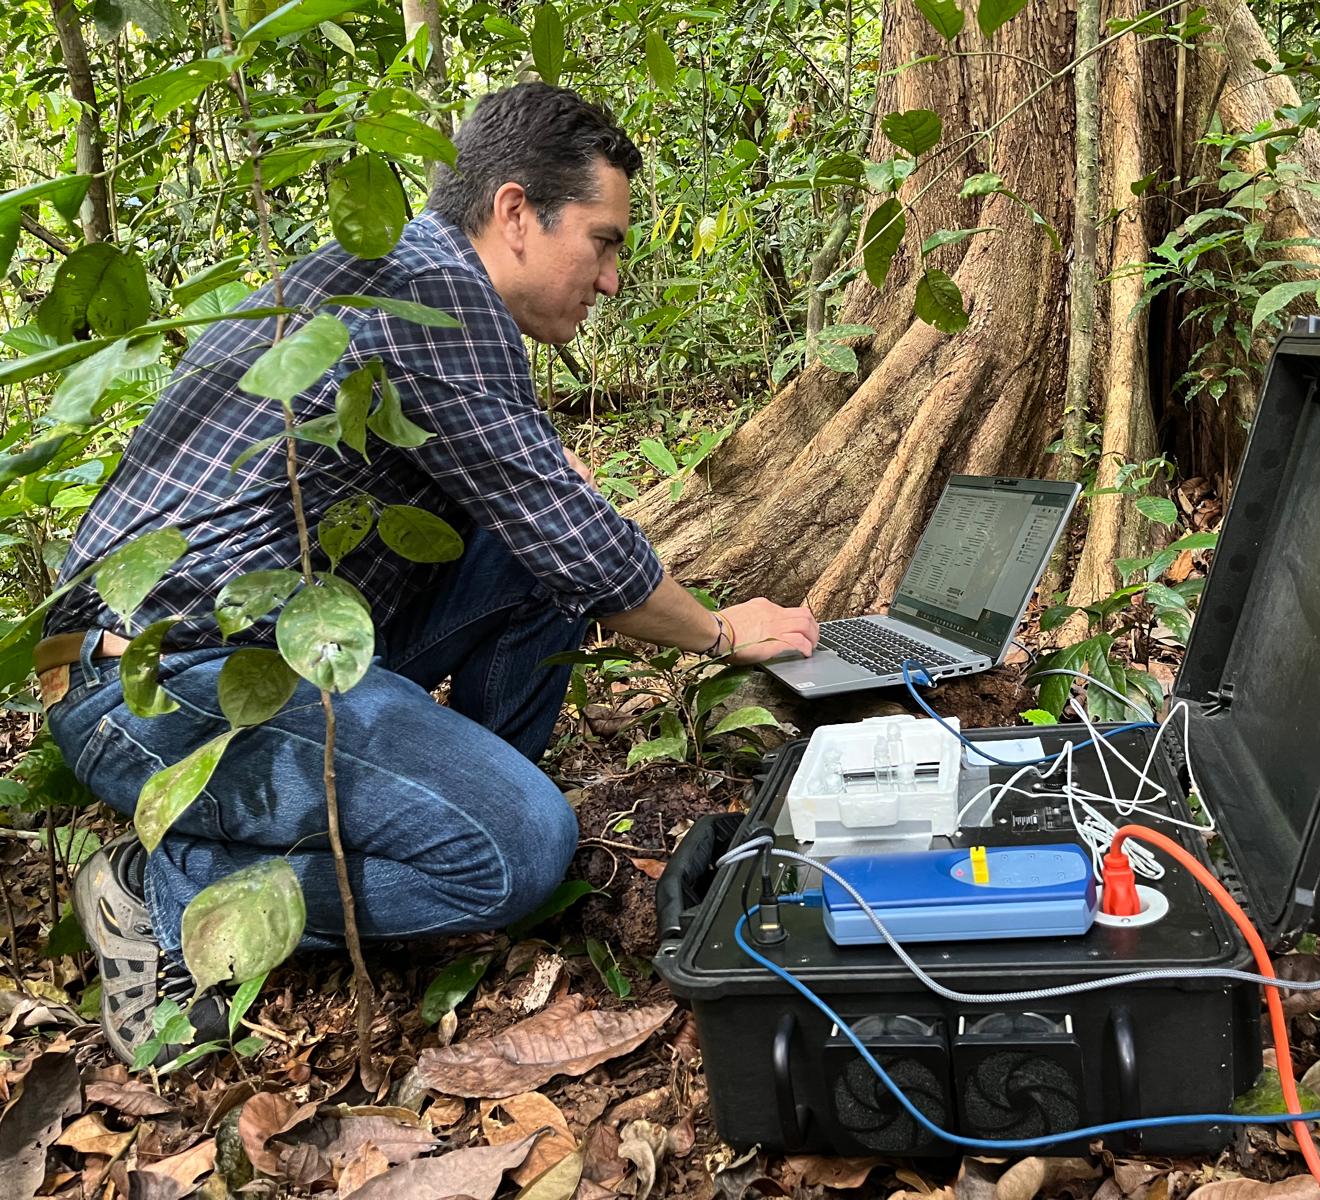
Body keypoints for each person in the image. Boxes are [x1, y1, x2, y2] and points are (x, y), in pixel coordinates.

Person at [38, 82, 819, 1065]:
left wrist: (536, 488)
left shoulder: (395, 276)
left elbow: (548, 532)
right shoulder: (431, 300)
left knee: (534, 552)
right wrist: (721, 632)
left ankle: (445, 805)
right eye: (604, 239)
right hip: (154, 682)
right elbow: (587, 550)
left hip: (258, 639)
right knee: (522, 851)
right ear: (512, 214)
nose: (611, 278)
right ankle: (167, 891)